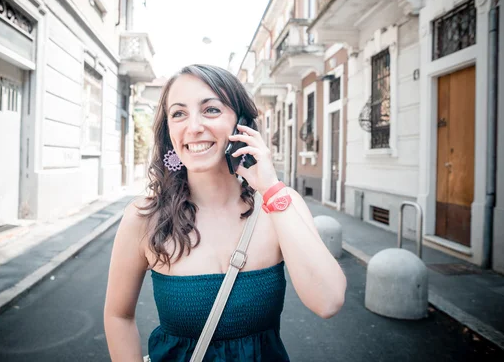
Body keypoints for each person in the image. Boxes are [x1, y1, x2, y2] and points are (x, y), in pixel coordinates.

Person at [104, 64, 347, 361]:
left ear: (241, 123)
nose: (193, 126)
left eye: (211, 110)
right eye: (178, 113)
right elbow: (118, 316)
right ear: (169, 132)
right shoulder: (144, 218)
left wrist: (270, 187)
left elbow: (329, 301)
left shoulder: (280, 205)